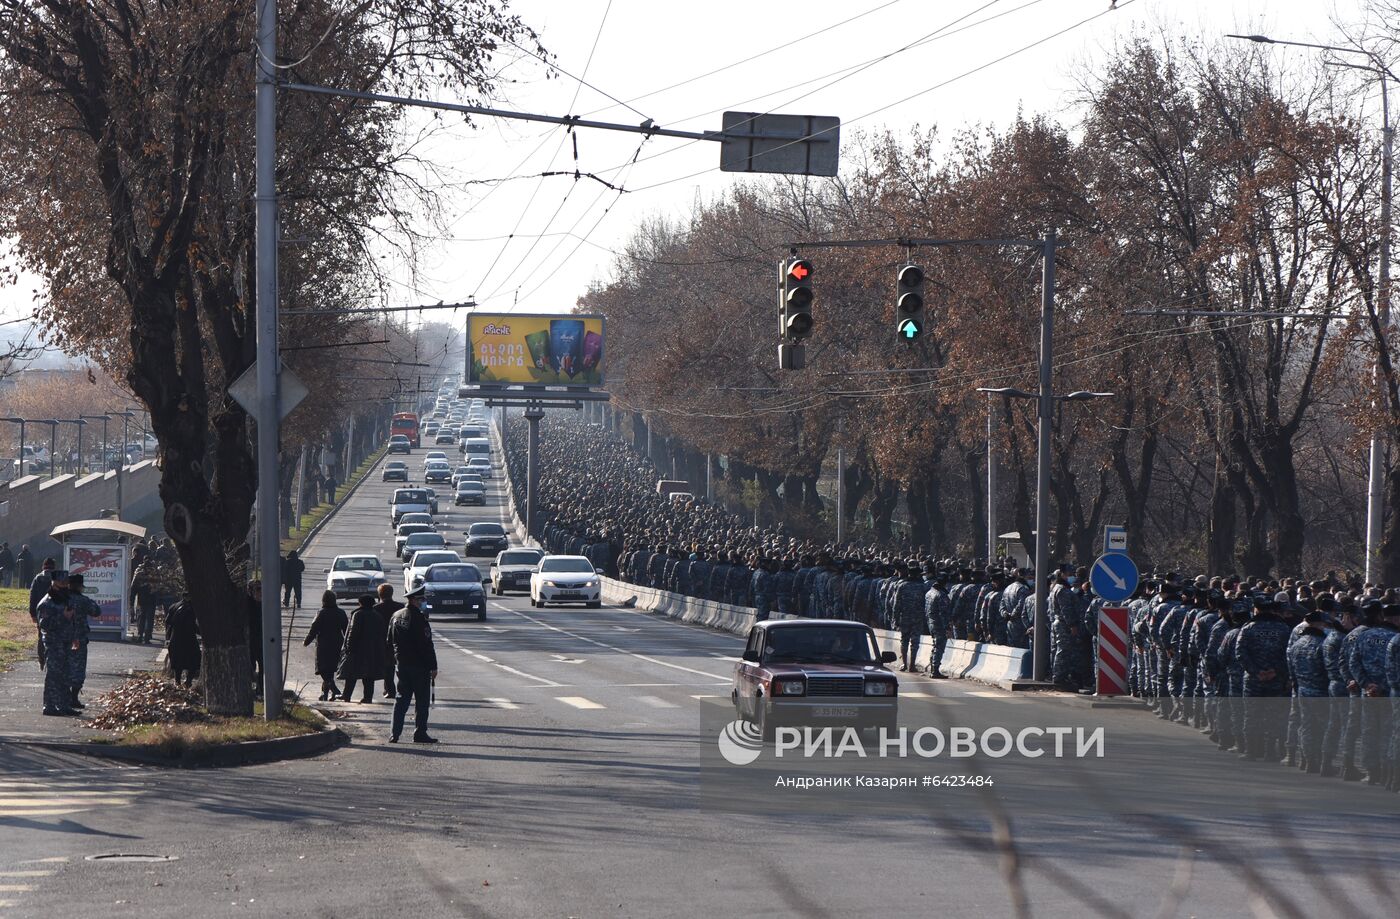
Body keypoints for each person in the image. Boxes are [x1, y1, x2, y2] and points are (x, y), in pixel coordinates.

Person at [387, 585, 439, 744]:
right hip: (419, 666)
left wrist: (396, 659)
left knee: (401, 699)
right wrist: (433, 666)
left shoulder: (396, 616)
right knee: (422, 701)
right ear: (415, 600)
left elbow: (389, 640)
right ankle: (420, 733)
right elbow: (426, 645)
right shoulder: (418, 618)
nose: (424, 602)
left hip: (402, 664)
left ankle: (394, 734)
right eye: (422, 599)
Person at [35, 570, 78, 716]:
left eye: (66, 583)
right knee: (53, 674)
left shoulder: (65, 599)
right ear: (54, 584)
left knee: (66, 674)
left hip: (66, 642)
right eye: (62, 584)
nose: (65, 586)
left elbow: (72, 619)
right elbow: (45, 625)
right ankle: (50, 705)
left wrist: (75, 636)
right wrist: (63, 617)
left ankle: (64, 705)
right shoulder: (46, 603)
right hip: (53, 643)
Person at [337, 595, 385, 703]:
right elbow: (382, 634)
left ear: (361, 603)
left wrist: (348, 647)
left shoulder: (358, 614)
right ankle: (367, 697)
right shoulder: (378, 616)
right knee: (369, 676)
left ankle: (346, 695)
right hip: (372, 649)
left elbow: (353, 632)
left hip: (357, 649)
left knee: (351, 674)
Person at [66, 573, 103, 710]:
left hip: (63, 639)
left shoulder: (62, 599)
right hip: (79, 639)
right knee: (78, 668)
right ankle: (73, 698)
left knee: (64, 666)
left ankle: (65, 696)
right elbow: (96, 611)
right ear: (79, 586)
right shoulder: (83, 600)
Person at [304, 590, 348, 701]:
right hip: (337, 643)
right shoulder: (341, 613)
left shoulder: (321, 612)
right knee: (330, 669)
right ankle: (325, 694)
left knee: (324, 670)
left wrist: (307, 641)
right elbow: (346, 629)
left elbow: (314, 629)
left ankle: (334, 690)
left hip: (323, 644)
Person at [373, 583, 404, 699]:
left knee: (388, 667)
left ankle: (390, 690)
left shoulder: (376, 608)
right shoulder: (400, 607)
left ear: (379, 594)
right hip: (400, 640)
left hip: (383, 641)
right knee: (401, 666)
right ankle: (397, 689)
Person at [165, 592, 201, 687]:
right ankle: (188, 681)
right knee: (194, 660)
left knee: (178, 662)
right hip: (189, 638)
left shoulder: (174, 606)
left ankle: (177, 681)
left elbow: (167, 622)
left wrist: (168, 637)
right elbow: (192, 625)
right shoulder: (192, 608)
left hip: (175, 637)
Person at [129, 560, 159, 644]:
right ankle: (147, 637)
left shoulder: (139, 573)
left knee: (141, 618)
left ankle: (140, 635)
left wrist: (131, 600)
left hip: (141, 599)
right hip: (152, 599)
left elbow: (133, 587)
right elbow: (158, 586)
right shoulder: (155, 572)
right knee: (150, 619)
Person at [246, 580, 264, 697]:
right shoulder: (247, 604)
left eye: (261, 589)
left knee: (263, 667)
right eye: (257, 589)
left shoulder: (265, 604)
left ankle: (261, 688)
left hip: (262, 641)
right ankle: (250, 688)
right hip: (250, 641)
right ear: (251, 591)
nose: (260, 592)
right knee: (250, 666)